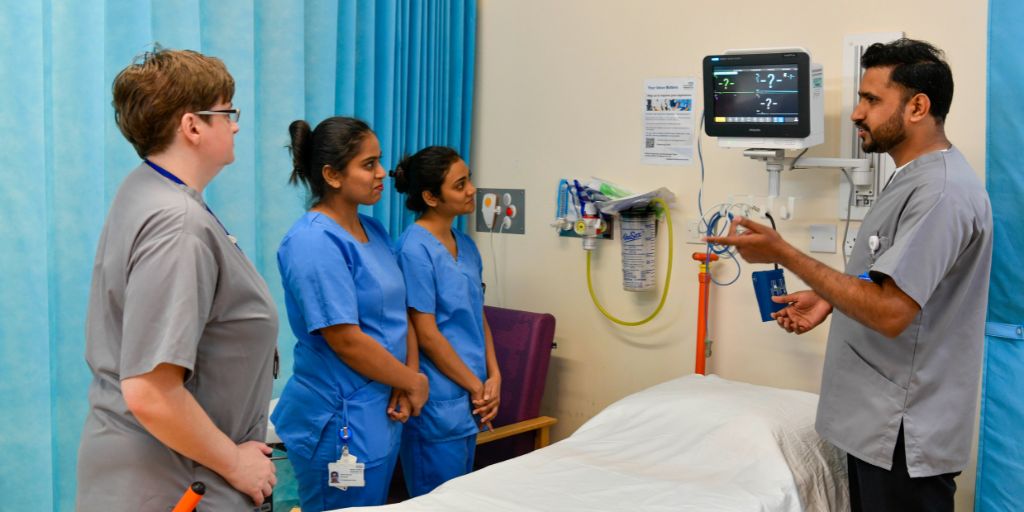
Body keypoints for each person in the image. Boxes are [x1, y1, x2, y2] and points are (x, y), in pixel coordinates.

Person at [706, 38, 993, 511]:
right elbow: (892, 282)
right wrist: (829, 297)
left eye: (872, 100)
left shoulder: (941, 193)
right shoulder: (912, 178)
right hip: (878, 422)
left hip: (902, 432)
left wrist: (784, 253)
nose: (858, 113)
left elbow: (890, 312)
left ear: (918, 107)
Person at [76, 48, 278, 511]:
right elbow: (151, 391)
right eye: (227, 114)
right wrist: (235, 462)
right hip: (177, 481)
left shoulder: (146, 191)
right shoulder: (177, 223)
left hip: (153, 473)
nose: (235, 126)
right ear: (192, 126)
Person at [271, 116, 429, 510]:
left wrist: (405, 379)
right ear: (332, 175)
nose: (382, 173)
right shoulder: (313, 242)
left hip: (380, 411)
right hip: (336, 421)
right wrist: (411, 381)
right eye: (369, 164)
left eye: (380, 161)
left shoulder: (374, 231)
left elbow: (400, 313)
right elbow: (345, 340)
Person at [392, 146, 501, 497]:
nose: (472, 190)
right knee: (437, 500)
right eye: (460, 185)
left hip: (471, 399)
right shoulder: (413, 249)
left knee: (461, 499)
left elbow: (477, 314)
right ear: (431, 197)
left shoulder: (466, 245)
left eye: (469, 180)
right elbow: (426, 333)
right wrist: (475, 387)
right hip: (439, 403)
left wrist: (494, 376)